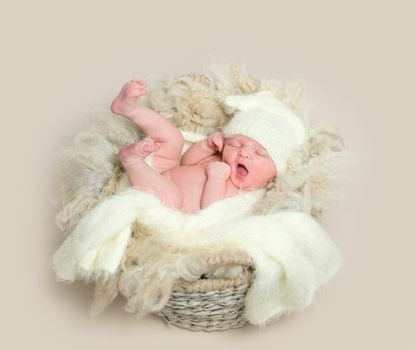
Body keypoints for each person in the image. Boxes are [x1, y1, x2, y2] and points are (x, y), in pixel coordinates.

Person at [111, 80, 305, 213]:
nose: (244, 152)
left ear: (272, 176)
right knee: (174, 138)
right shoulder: (219, 161)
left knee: (172, 198)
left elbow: (212, 210)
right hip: (166, 170)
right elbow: (187, 162)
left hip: (165, 199)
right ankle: (129, 108)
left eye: (259, 153)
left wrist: (216, 178)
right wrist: (206, 146)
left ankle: (131, 161)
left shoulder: (243, 195)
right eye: (237, 144)